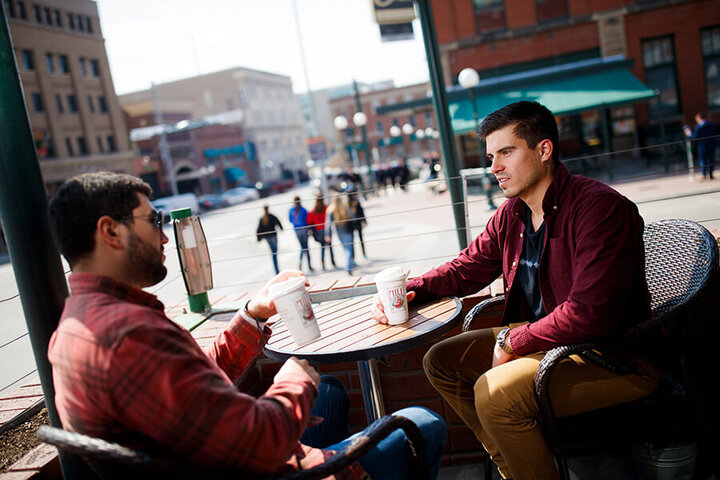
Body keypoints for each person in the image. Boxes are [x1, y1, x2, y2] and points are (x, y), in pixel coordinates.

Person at [47, 172, 447, 480]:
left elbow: (191, 384)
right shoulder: (127, 334)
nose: (164, 235)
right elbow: (261, 440)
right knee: (422, 423)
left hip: (216, 452)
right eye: (153, 220)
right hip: (261, 465)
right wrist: (294, 378)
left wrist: (252, 315)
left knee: (330, 391)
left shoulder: (85, 323)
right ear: (110, 231)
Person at [372, 101, 661, 480]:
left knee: (497, 394)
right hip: (549, 343)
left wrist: (513, 340)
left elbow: (589, 313)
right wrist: (410, 290)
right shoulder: (513, 213)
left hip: (609, 355)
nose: (494, 168)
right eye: (491, 156)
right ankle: (517, 469)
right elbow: (466, 268)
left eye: (506, 152)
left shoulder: (599, 209)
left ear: (543, 150)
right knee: (440, 361)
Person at [326, 194, 356, 275]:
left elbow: (328, 224)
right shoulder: (345, 207)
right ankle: (349, 266)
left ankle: (348, 265)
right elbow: (352, 217)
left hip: (339, 232)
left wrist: (327, 234)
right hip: (348, 230)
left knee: (345, 248)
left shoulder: (331, 210)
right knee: (348, 248)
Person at [306, 193, 336, 271]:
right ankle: (333, 262)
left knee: (322, 247)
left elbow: (309, 221)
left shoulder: (313, 210)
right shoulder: (326, 208)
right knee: (330, 246)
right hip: (326, 229)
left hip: (319, 230)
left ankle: (323, 262)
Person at [684, 112, 719, 180]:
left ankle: (704, 175)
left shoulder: (699, 127)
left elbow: (695, 137)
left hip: (702, 146)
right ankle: (711, 175)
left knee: (703, 161)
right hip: (712, 145)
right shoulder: (712, 125)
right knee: (711, 160)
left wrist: (689, 133)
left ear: (698, 118)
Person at [256, 204, 283, 274]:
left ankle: (276, 270)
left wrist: (258, 238)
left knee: (273, 253)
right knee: (275, 252)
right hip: (273, 236)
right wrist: (281, 228)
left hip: (267, 237)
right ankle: (277, 269)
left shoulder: (262, 218)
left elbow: (259, 229)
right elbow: (278, 222)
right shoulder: (271, 216)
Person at [288, 196, 313, 272]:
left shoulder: (291, 210)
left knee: (302, 247)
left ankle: (301, 263)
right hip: (304, 229)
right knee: (306, 247)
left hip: (297, 230)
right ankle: (309, 265)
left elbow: (290, 220)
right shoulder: (303, 210)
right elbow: (308, 219)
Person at [347, 191, 367, 260]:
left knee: (360, 239)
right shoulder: (346, 203)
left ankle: (364, 253)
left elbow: (361, 211)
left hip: (357, 222)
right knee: (351, 241)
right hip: (351, 224)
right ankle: (353, 257)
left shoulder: (356, 202)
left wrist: (364, 221)